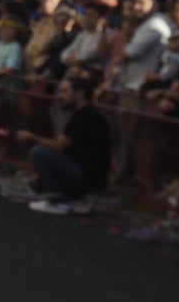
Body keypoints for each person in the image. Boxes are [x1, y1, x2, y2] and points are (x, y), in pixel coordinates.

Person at [13, 72, 112, 216]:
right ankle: (66, 196)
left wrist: (32, 137)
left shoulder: (84, 115)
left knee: (39, 153)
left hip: (87, 176)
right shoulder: (88, 114)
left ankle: (58, 201)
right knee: (37, 182)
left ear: (79, 94)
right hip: (86, 173)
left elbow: (58, 145)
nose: (60, 96)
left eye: (65, 91)